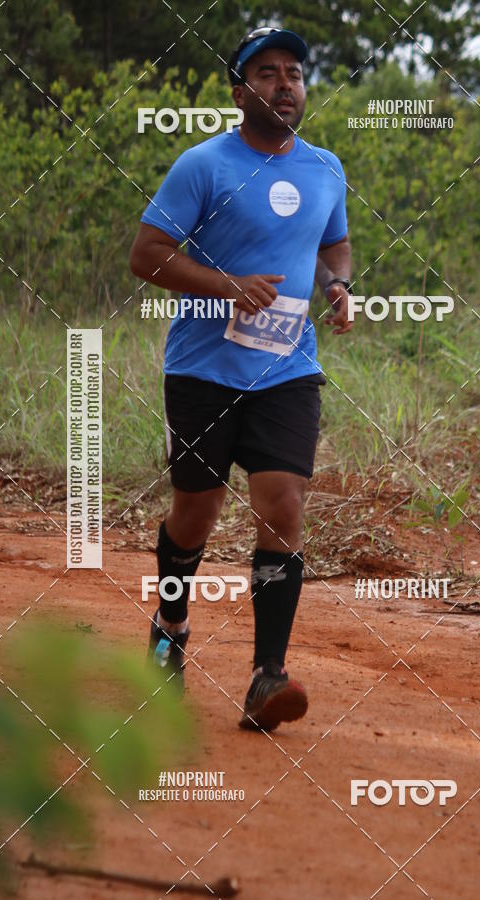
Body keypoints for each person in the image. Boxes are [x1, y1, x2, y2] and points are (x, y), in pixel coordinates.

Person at [129, 26, 353, 732]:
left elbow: (335, 241)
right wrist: (226, 285)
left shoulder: (325, 168)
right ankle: (170, 627)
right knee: (195, 512)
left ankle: (267, 677)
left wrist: (340, 285)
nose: (284, 83)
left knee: (282, 504)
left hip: (289, 368)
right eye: (266, 73)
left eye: (293, 73)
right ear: (240, 92)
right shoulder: (203, 165)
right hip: (202, 368)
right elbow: (147, 254)